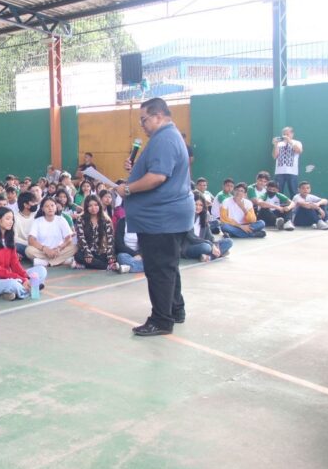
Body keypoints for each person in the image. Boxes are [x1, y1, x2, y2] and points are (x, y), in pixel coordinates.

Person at [114, 97, 194, 337]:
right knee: (168, 267)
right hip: (166, 216)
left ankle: (161, 320)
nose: (142, 125)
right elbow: (154, 171)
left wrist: (127, 189)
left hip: (162, 218)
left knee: (159, 269)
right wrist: (136, 168)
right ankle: (175, 309)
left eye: (144, 119)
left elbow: (158, 177)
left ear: (158, 116)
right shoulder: (168, 137)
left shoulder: (165, 139)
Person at [0, 207, 47, 301]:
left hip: (10, 276)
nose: (11, 221)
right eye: (7, 219)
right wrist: (21, 279)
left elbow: (15, 263)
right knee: (13, 284)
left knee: (41, 270)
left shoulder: (9, 238)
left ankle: (15, 292)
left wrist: (25, 276)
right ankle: (31, 289)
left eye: (12, 219)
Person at [72, 194, 121, 271]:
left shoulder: (106, 220)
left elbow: (110, 239)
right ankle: (108, 267)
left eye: (96, 205)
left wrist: (110, 255)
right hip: (87, 252)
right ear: (86, 207)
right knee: (78, 256)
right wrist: (87, 253)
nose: (93, 208)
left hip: (101, 251)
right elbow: (81, 238)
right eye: (90, 206)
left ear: (99, 205)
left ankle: (86, 265)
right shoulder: (81, 220)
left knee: (112, 257)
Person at [25, 197, 76, 267]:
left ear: (56, 207)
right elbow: (31, 240)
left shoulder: (61, 219)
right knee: (28, 250)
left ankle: (46, 263)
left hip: (59, 250)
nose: (50, 208)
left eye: (52, 205)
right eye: (47, 206)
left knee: (75, 247)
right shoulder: (37, 221)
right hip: (43, 251)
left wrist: (59, 248)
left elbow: (69, 238)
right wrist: (45, 249)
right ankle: (61, 261)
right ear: (42, 209)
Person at [182, 192, 233, 262]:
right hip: (189, 248)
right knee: (206, 247)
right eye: (195, 204)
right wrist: (211, 245)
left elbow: (210, 237)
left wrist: (214, 244)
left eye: (200, 205)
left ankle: (208, 257)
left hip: (204, 243)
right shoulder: (186, 218)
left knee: (229, 241)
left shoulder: (203, 217)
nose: (198, 207)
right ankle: (219, 253)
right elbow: (192, 238)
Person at [272, 126, 303, 199]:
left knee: (294, 192)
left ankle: (294, 209)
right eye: (284, 134)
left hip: (292, 172)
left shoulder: (297, 142)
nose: (285, 136)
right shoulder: (279, 144)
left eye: (287, 134)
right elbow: (274, 156)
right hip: (279, 172)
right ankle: (278, 208)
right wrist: (275, 144)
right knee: (277, 192)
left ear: (292, 134)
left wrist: (290, 141)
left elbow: (299, 151)